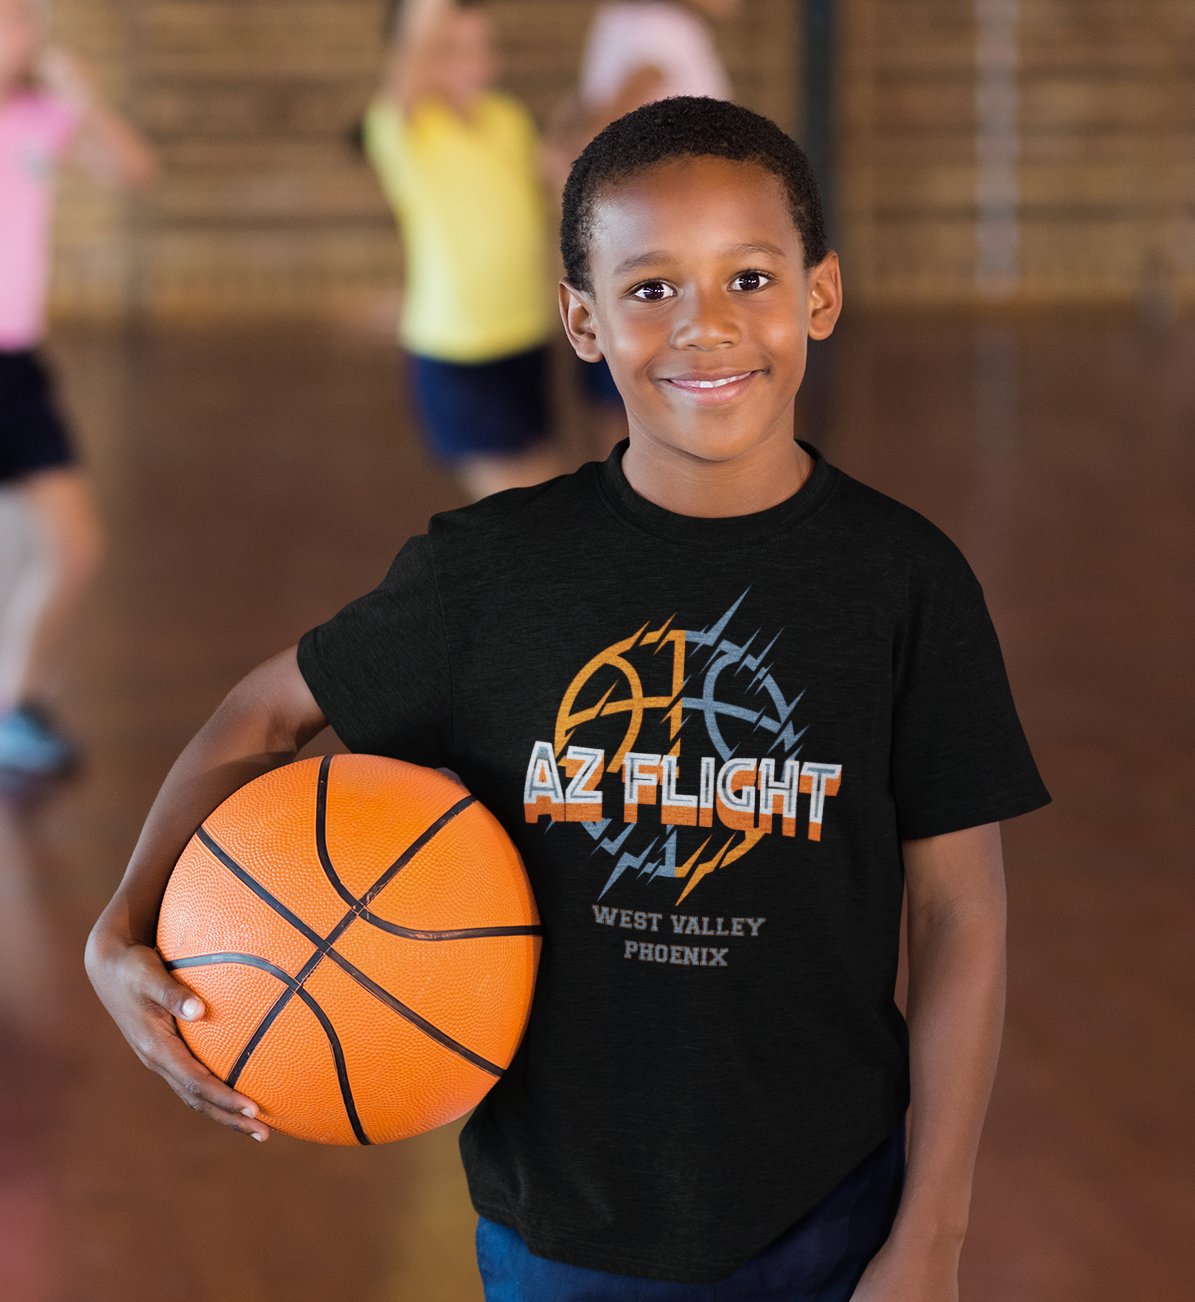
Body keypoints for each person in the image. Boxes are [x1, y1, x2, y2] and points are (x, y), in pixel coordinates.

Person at [87, 97, 1050, 1300]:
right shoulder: (491, 574)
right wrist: (122, 924)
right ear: (582, 320)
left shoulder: (905, 583)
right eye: (650, 288)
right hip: (559, 1226)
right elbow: (263, 714)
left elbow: (959, 915)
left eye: (750, 278)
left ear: (821, 294)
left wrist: (932, 1236)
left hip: (832, 1211)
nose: (705, 324)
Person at [0, 0, 155, 776]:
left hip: (17, 367)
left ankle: (14, 706)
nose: (22, 33)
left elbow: (133, 168)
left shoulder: (41, 115)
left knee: (73, 546)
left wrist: (84, 101)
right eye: (6, 20)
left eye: (25, 17)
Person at [364, 0, 560, 503]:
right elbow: (414, 43)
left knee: (547, 500)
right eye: (450, 49)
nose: (474, 62)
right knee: (529, 518)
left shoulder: (509, 119)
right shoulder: (405, 129)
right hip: (458, 354)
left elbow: (557, 191)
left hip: (526, 337)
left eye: (482, 45)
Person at [545, 0, 758, 450]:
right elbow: (585, 143)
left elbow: (566, 140)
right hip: (658, 279)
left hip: (625, 271)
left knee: (624, 433)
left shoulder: (623, 16)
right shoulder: (667, 31)